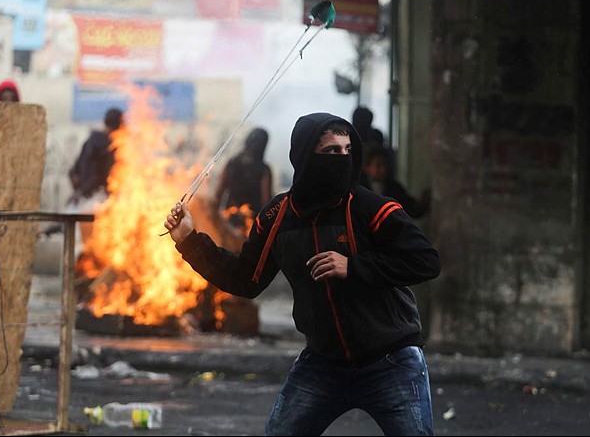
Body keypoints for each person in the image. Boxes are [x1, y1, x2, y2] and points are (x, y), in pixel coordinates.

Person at [164, 112, 441, 436]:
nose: (341, 159)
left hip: (390, 360)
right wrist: (189, 241)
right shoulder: (277, 216)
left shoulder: (372, 208)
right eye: (331, 151)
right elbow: (244, 279)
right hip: (323, 363)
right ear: (306, 155)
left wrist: (353, 266)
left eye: (346, 150)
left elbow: (426, 261)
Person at [214, 127, 272, 233]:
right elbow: (266, 201)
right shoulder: (264, 170)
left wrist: (215, 218)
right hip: (253, 224)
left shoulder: (231, 163)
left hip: (230, 219)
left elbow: (219, 192)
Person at [68, 107, 123, 206]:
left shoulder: (90, 141)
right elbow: (108, 175)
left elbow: (74, 173)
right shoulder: (110, 146)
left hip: (82, 198)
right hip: (98, 199)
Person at [359, 145, 431, 219]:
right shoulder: (359, 189)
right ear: (367, 167)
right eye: (378, 165)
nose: (383, 169)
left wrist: (423, 202)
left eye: (385, 164)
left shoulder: (394, 188)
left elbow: (411, 209)